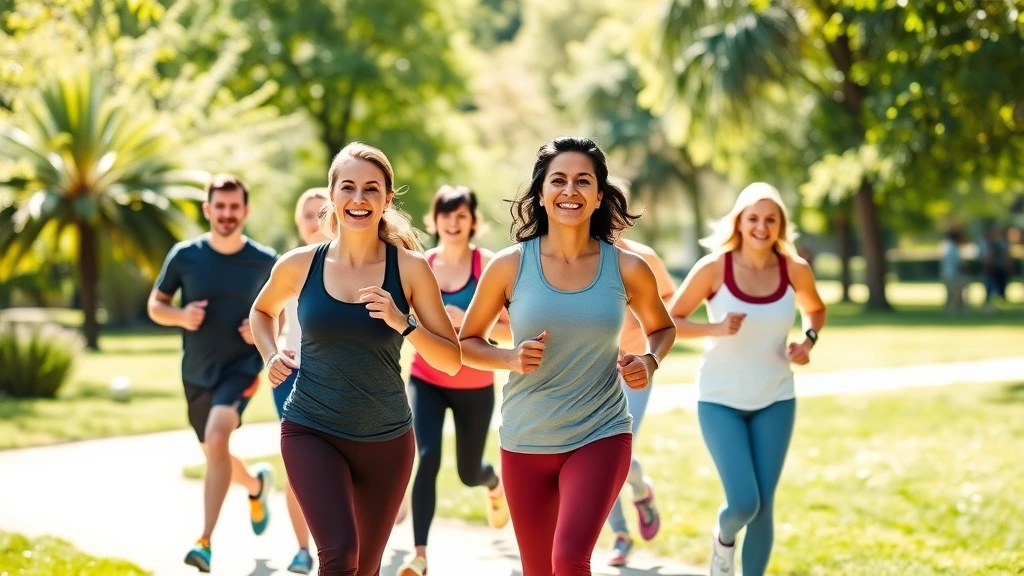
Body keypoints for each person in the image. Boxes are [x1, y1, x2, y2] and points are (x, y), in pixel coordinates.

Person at [458, 136, 676, 576]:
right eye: (558, 180)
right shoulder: (509, 265)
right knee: (540, 569)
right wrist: (510, 358)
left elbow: (662, 328)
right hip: (525, 438)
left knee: (569, 559)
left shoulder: (628, 268)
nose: (570, 190)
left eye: (583, 181)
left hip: (601, 432)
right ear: (541, 193)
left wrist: (649, 362)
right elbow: (468, 342)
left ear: (599, 196)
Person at [249, 142, 462, 575]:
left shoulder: (410, 269)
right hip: (313, 428)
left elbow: (451, 360)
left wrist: (404, 323)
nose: (359, 199)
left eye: (371, 189)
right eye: (348, 187)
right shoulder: (300, 264)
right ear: (332, 196)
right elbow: (261, 310)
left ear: (386, 199)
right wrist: (270, 354)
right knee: (339, 555)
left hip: (387, 439)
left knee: (365, 567)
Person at [666, 182, 827, 576]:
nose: (761, 226)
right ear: (739, 222)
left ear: (781, 225)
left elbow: (816, 309)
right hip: (720, 399)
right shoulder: (714, 267)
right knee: (743, 503)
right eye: (753, 218)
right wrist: (715, 330)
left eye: (770, 219)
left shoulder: (794, 269)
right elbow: (669, 321)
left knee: (765, 504)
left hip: (776, 397)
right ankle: (723, 541)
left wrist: (807, 341)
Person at [146, 174, 278, 573]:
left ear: (246, 211)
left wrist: (260, 331)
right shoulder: (185, 255)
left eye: (234, 207)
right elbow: (156, 304)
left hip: (241, 368)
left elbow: (284, 314)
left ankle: (204, 541)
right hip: (196, 373)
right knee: (215, 451)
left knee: (218, 437)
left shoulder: (265, 260)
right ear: (207, 210)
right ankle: (256, 485)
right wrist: (181, 316)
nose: (226, 214)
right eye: (219, 207)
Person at [397, 185, 513, 576]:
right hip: (427, 378)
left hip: (474, 384)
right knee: (425, 458)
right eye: (446, 214)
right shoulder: (421, 264)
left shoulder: (489, 265)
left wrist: (473, 321)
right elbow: (404, 321)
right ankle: (420, 555)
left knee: (467, 473)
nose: (453, 222)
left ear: (473, 222)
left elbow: (516, 328)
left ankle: (491, 480)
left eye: (461, 215)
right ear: (434, 220)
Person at [604, 178, 676, 567]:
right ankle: (620, 533)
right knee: (596, 451)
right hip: (591, 370)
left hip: (635, 369)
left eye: (619, 211)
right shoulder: (582, 258)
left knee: (616, 450)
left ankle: (640, 491)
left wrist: (648, 351)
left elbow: (668, 307)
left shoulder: (642, 258)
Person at [270, 188, 331, 574]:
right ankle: (302, 549)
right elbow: (269, 314)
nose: (315, 220)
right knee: (296, 466)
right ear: (298, 222)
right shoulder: (289, 264)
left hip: (338, 375)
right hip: (292, 376)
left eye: (321, 212)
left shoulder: (353, 264)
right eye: (307, 215)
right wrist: (272, 351)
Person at [940, 228, 967, 316]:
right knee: (956, 294)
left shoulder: (948, 246)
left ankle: (953, 311)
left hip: (949, 274)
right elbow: (956, 262)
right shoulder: (953, 248)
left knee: (952, 294)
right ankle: (952, 312)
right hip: (953, 274)